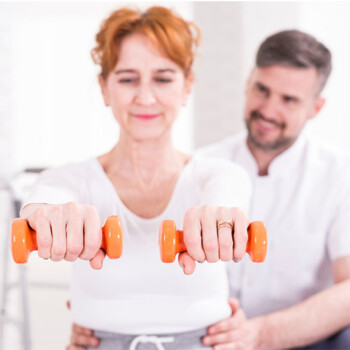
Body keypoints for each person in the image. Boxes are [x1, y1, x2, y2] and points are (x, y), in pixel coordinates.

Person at [68, 30, 350, 349]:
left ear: (316, 107)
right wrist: (99, 319)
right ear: (248, 83)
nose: (268, 110)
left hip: (301, 340)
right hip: (208, 339)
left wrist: (259, 334)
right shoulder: (201, 165)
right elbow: (144, 260)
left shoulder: (339, 175)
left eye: (288, 100)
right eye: (262, 89)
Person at [22, 6, 254, 350]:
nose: (145, 97)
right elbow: (45, 197)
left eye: (163, 79)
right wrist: (47, 216)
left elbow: (229, 192)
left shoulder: (216, 173)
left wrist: (220, 214)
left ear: (187, 87)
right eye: (128, 79)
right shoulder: (74, 179)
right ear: (104, 87)